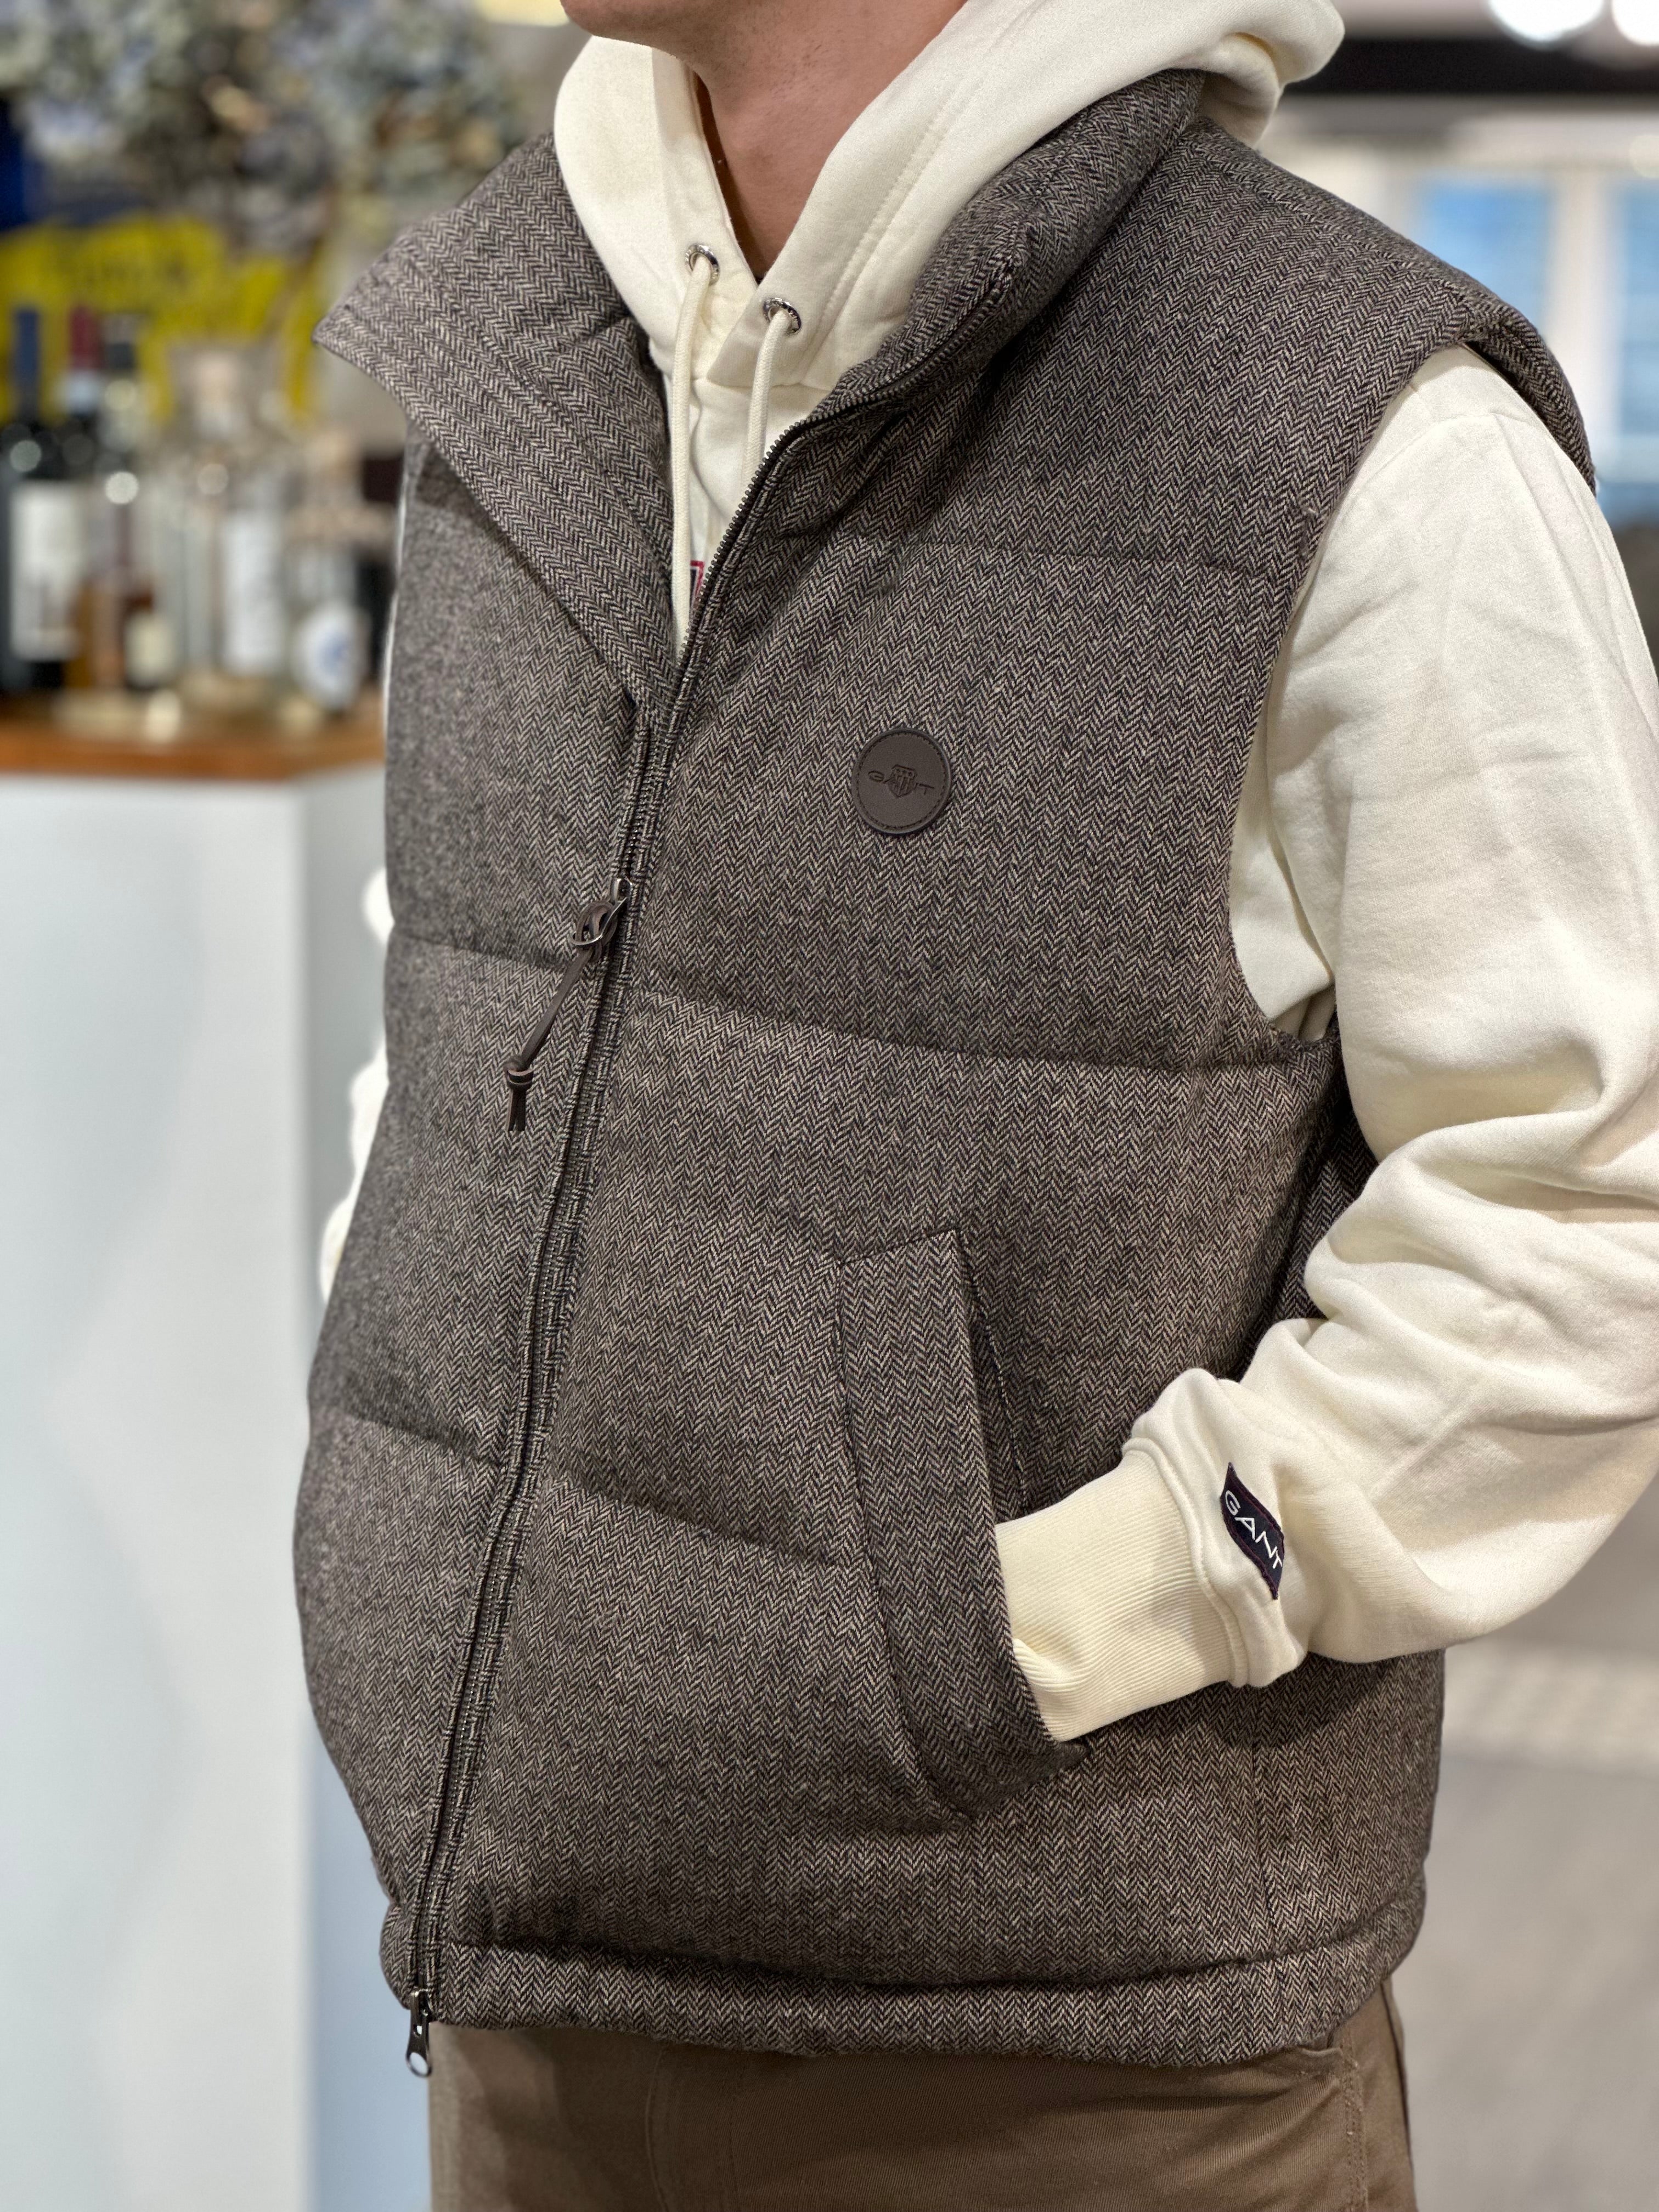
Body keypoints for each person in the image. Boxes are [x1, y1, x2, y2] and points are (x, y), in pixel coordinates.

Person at [298, 2, 1659, 2204]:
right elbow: (474, 997)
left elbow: (1592, 1197)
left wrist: (1063, 1616)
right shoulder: (525, 350)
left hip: (1067, 2072)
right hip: (534, 1999)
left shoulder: (1355, 430)